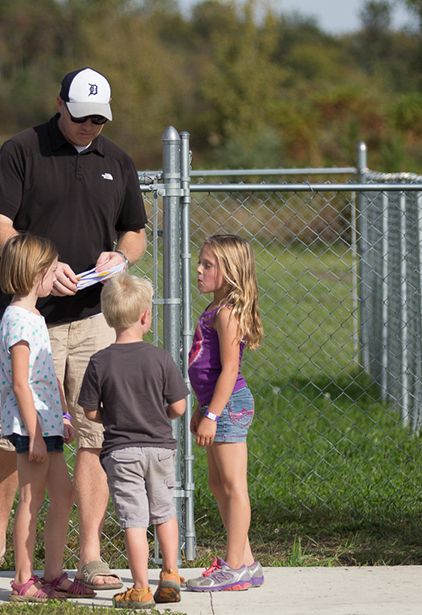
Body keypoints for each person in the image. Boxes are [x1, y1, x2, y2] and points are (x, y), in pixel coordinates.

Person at [0, 66, 147, 590]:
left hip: (93, 322)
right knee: (9, 432)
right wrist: (39, 268)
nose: (89, 128)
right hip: (29, 319)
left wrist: (120, 259)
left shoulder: (117, 160)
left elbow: (135, 230)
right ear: (59, 104)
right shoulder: (22, 150)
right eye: (81, 118)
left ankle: (89, 555)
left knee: (92, 435)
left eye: (99, 120)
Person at [77, 273, 189, 609]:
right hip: (159, 449)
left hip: (121, 453)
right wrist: (159, 413)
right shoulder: (160, 358)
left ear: (109, 318)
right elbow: (178, 407)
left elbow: (89, 412)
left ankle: (140, 587)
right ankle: (170, 573)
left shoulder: (99, 362)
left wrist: (112, 416)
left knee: (134, 520)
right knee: (164, 512)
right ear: (145, 316)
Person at [0, 233, 94, 602]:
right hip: (30, 428)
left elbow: (46, 374)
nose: (57, 276)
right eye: (53, 270)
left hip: (48, 425)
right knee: (30, 502)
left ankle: (53, 573)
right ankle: (23, 579)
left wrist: (64, 414)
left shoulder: (35, 316)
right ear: (36, 274)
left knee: (63, 495)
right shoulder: (18, 320)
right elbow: (21, 384)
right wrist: (35, 434)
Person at [184, 234, 266, 592]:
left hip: (229, 406)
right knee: (218, 484)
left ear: (230, 272)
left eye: (207, 265)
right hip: (216, 405)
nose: (198, 270)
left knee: (234, 486)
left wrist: (213, 414)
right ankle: (246, 561)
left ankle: (233, 566)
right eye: (199, 263)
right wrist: (201, 409)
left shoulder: (228, 313)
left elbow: (229, 370)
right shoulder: (215, 308)